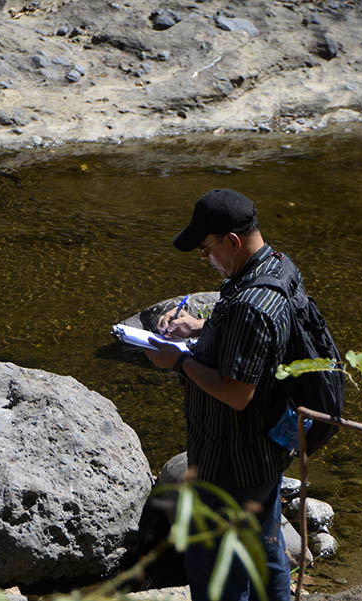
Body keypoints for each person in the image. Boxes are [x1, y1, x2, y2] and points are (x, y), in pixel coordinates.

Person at [144, 188, 301, 601]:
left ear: (232, 241)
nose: (204, 258)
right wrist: (199, 328)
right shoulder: (276, 266)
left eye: (206, 248)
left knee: (215, 568)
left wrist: (177, 362)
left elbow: (236, 394)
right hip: (266, 450)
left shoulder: (252, 305)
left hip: (231, 461)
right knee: (266, 551)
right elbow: (257, 343)